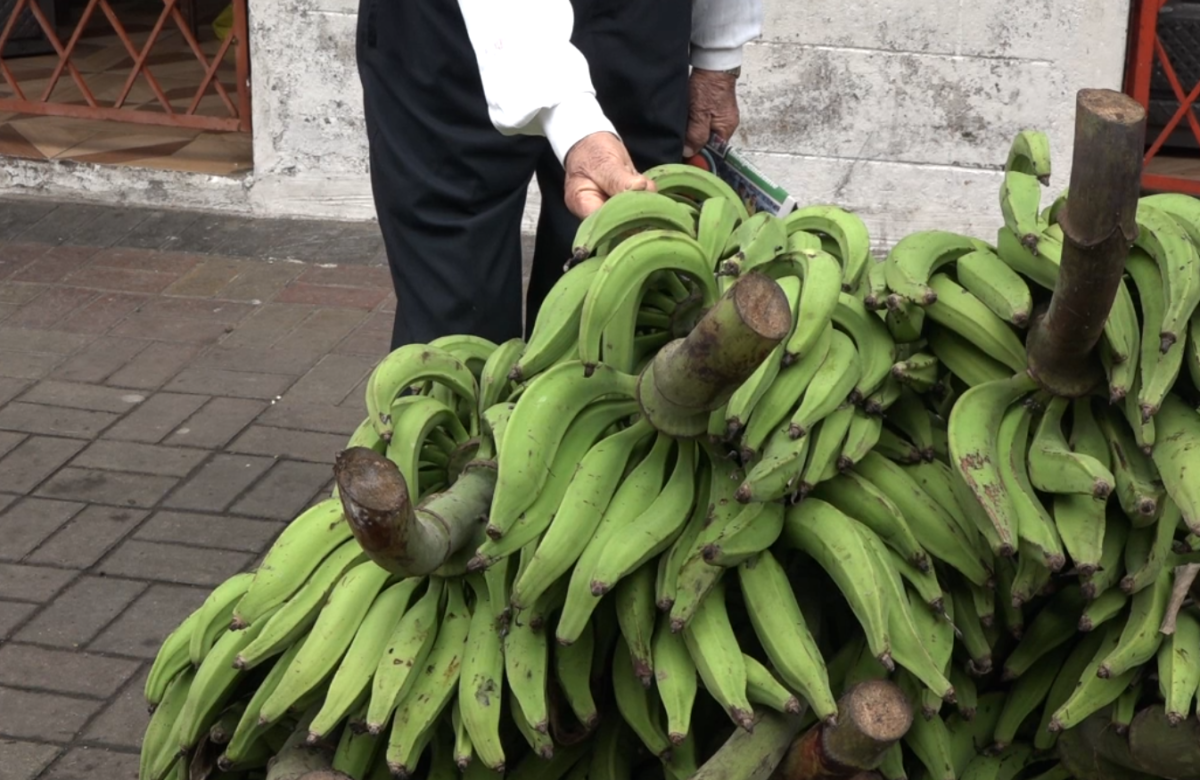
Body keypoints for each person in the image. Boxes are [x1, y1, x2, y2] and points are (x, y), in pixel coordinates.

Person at [356, 0, 764, 351]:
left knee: (613, 297)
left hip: (639, 19)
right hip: (451, 24)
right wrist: (573, 121)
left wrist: (719, 51)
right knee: (456, 317)